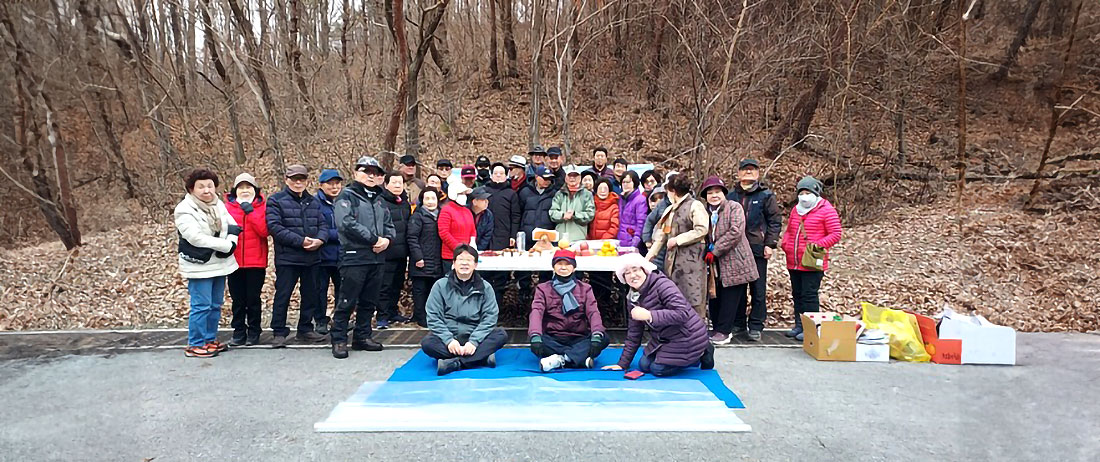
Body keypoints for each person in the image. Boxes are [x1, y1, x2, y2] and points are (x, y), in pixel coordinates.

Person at [602, 254, 714, 376]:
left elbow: (682, 314)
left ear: (644, 270)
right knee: (644, 366)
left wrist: (650, 315)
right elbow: (634, 333)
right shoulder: (632, 297)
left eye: (635, 270)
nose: (632, 275)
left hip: (688, 336)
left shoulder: (663, 285)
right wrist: (622, 364)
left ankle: (703, 351)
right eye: (627, 273)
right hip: (664, 338)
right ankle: (687, 355)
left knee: (658, 369)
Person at [330, 156, 395, 359]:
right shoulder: (346, 197)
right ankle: (339, 339)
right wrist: (374, 239)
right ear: (356, 173)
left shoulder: (380, 199)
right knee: (347, 300)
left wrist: (387, 241)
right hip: (354, 256)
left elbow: (390, 226)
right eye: (366, 171)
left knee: (369, 300)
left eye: (374, 173)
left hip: (377, 258)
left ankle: (362, 336)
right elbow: (346, 224)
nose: (370, 176)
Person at [175, 169, 240, 358]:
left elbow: (231, 224)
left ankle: (210, 339)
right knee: (201, 305)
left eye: (210, 186)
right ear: (191, 189)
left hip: (219, 263)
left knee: (215, 304)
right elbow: (195, 237)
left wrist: (231, 240)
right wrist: (226, 245)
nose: (206, 190)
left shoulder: (218, 204)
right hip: (199, 264)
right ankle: (195, 343)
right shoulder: (185, 209)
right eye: (201, 186)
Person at [420, 245, 508, 376]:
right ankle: (481, 358)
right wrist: (449, 340)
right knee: (427, 343)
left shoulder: (486, 287)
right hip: (450, 337)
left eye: (469, 260)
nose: (465, 263)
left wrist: (474, 341)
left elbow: (490, 317)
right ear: (454, 263)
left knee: (501, 335)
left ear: (476, 265)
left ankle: (455, 363)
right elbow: (433, 317)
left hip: (476, 337)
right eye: (461, 259)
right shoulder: (440, 286)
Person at [266, 164, 329, 348]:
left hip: (312, 256)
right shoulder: (276, 200)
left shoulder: (314, 201)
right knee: (283, 295)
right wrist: (300, 241)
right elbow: (275, 227)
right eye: (294, 179)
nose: (298, 182)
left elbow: (323, 225)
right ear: (287, 180)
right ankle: (278, 331)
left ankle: (305, 329)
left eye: (302, 179)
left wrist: (320, 240)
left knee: (310, 294)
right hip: (288, 257)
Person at [780, 176, 843, 341]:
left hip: (812, 261)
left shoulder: (826, 210)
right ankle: (799, 325)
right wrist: (785, 244)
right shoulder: (796, 209)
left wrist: (817, 245)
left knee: (809, 295)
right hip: (794, 260)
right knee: (797, 294)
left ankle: (811, 328)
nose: (804, 196)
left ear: (816, 193)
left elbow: (836, 233)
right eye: (801, 192)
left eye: (808, 192)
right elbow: (789, 230)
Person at [726, 159, 782, 341]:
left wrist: (770, 244)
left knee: (758, 289)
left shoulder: (766, 195)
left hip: (757, 247)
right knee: (737, 288)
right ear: (738, 173)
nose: (748, 172)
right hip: (735, 249)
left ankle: (756, 325)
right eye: (745, 169)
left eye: (752, 170)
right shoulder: (731, 196)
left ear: (758, 173)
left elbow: (774, 221)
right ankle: (738, 323)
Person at [700, 176, 759, 344]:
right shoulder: (705, 211)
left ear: (724, 193)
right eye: (710, 193)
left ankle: (725, 331)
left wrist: (716, 250)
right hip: (714, 262)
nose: (714, 196)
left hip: (735, 259)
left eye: (717, 192)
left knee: (730, 297)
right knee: (715, 295)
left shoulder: (734, 207)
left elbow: (735, 231)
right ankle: (718, 327)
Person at [528, 250, 609, 372]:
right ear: (553, 267)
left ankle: (561, 359)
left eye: (567, 264)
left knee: (603, 338)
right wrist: (535, 335)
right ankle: (578, 358)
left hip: (579, 337)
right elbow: (536, 312)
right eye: (559, 264)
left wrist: (597, 334)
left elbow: (593, 312)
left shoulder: (585, 289)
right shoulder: (543, 289)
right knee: (537, 340)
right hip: (553, 337)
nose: (563, 267)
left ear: (574, 268)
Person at [646, 174, 709, 319]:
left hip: (692, 262)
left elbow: (702, 229)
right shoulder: (670, 210)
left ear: (672, 191)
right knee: (674, 298)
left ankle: (696, 335)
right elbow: (662, 236)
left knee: (693, 298)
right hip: (672, 263)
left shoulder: (695, 205)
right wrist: (649, 256)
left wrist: (678, 240)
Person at [224, 173, 269, 346]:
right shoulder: (226, 208)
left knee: (253, 298)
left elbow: (264, 231)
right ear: (235, 190)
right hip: (233, 261)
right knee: (237, 299)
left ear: (255, 190)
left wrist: (250, 212)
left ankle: (254, 331)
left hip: (255, 261)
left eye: (248, 187)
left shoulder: (262, 207)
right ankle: (238, 331)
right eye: (241, 187)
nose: (244, 191)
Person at [516, 166, 559, 305]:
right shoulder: (525, 192)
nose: (547, 182)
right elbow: (518, 213)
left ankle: (543, 294)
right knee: (524, 266)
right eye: (544, 178)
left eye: (549, 179)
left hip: (546, 236)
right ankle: (524, 292)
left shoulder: (554, 193)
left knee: (546, 268)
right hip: (528, 233)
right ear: (536, 177)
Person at [377, 172, 413, 329]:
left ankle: (392, 312)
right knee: (384, 286)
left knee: (397, 285)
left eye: (400, 182)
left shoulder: (404, 203)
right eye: (394, 182)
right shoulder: (380, 202)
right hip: (387, 251)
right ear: (386, 184)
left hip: (402, 252)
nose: (398, 185)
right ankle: (382, 316)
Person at [484, 163, 521, 306]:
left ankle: (498, 307)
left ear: (506, 176)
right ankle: (485, 308)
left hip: (503, 236)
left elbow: (515, 216)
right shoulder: (484, 191)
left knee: (501, 275)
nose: (498, 175)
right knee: (485, 273)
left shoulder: (511, 193)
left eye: (501, 173)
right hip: (486, 237)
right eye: (496, 173)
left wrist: (513, 235)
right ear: (491, 175)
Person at [407, 187, 444, 327]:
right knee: (420, 291)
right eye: (426, 198)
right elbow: (412, 237)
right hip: (421, 260)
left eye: (433, 198)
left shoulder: (441, 215)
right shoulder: (417, 216)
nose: (430, 202)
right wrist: (418, 257)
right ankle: (421, 317)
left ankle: (433, 317)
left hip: (436, 259)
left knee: (433, 291)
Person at [313, 168, 343, 336]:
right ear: (321, 185)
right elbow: (317, 228)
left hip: (342, 255)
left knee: (342, 289)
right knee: (320, 290)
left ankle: (340, 320)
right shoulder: (315, 203)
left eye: (337, 183)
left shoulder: (344, 201)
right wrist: (339, 234)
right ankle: (320, 320)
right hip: (322, 255)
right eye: (330, 184)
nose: (334, 187)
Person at [549, 166, 595, 243]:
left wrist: (574, 215)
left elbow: (590, 214)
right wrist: (563, 215)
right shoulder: (559, 194)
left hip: (579, 239)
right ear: (566, 178)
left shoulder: (587, 194)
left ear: (580, 178)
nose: (572, 178)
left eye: (575, 176)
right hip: (560, 239)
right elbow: (552, 213)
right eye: (570, 175)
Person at [439, 182, 477, 274]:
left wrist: (472, 244)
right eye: (461, 194)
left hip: (467, 255)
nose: (464, 196)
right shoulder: (446, 210)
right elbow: (444, 233)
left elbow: (473, 230)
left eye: (464, 194)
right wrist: (458, 249)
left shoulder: (467, 211)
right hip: (450, 256)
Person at [616, 171, 648, 251]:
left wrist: (635, 241)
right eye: (623, 182)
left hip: (632, 241)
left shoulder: (640, 200)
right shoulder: (621, 198)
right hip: (621, 240)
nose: (625, 184)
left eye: (628, 182)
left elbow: (641, 222)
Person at [642, 185, 671, 269]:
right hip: (659, 243)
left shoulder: (690, 204)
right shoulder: (662, 204)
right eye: (655, 199)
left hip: (676, 244)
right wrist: (647, 239)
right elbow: (649, 221)